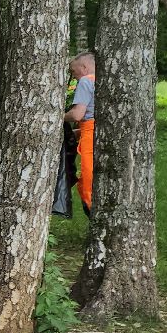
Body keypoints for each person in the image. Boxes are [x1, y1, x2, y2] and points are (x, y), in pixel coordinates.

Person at [64, 52, 95, 215]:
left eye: (73, 71)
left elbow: (77, 115)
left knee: (87, 178)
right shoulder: (104, 80)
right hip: (93, 131)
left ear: (84, 67)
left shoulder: (85, 81)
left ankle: (91, 210)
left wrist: (57, 117)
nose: (74, 76)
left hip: (90, 133)